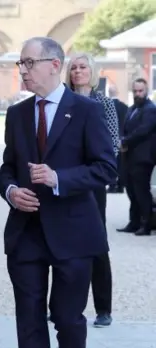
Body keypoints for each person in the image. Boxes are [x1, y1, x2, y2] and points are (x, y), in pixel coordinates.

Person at [0, 37, 116, 348]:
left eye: (29, 62)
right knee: (29, 320)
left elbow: (105, 168)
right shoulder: (16, 115)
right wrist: (12, 192)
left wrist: (60, 178)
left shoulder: (86, 110)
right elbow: (7, 169)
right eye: (21, 63)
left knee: (66, 318)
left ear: (54, 64)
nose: (24, 70)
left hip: (74, 235)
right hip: (27, 233)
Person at [64, 52, 119, 328]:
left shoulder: (103, 103)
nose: (77, 72)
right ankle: (66, 306)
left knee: (96, 243)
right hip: (64, 180)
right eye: (73, 67)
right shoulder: (62, 101)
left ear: (92, 71)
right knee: (64, 244)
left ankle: (104, 308)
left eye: (82, 67)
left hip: (92, 181)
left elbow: (112, 142)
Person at [116, 78, 156, 236]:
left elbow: (143, 130)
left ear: (146, 91)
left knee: (141, 191)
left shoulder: (151, 109)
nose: (138, 94)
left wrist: (124, 140)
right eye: (135, 91)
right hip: (130, 156)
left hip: (143, 157)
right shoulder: (132, 109)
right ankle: (134, 222)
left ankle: (146, 225)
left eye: (141, 91)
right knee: (131, 190)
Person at [107, 86, 128, 193]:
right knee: (121, 163)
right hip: (121, 139)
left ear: (109, 93)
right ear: (118, 92)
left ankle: (111, 185)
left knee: (111, 162)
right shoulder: (124, 107)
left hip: (108, 139)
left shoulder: (104, 106)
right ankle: (120, 186)